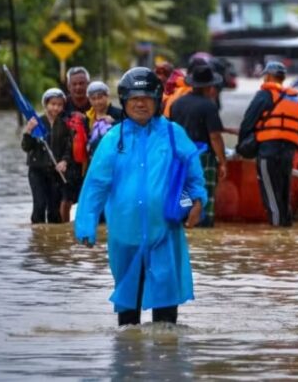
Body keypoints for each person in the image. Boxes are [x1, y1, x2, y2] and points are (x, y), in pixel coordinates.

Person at [75, 67, 206, 326]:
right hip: (125, 235)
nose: (140, 103)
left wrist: (196, 202)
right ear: (124, 102)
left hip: (165, 233)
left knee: (166, 315)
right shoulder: (113, 139)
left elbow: (193, 176)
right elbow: (95, 185)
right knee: (128, 317)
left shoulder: (173, 133)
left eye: (146, 97)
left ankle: (167, 361)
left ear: (157, 100)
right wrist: (86, 223)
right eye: (134, 98)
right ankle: (129, 360)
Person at [238, 61, 298, 227]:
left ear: (267, 76)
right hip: (288, 153)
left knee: (271, 196)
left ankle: (277, 237)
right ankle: (286, 233)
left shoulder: (264, 95)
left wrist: (242, 146)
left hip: (268, 152)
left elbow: (248, 122)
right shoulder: (295, 98)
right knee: (283, 195)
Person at [170, 64, 228, 227]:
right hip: (202, 157)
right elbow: (215, 136)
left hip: (180, 158)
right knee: (204, 194)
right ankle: (203, 222)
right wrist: (222, 161)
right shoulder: (209, 106)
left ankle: (184, 221)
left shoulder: (177, 104)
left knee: (183, 192)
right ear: (209, 87)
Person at [21, 88, 71, 223]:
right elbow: (26, 147)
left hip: (55, 173)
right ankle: (37, 237)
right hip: (37, 171)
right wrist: (28, 131)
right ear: (46, 104)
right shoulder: (36, 122)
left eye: (59, 105)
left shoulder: (65, 125)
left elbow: (68, 148)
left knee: (54, 209)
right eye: (53, 104)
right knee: (39, 205)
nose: (56, 108)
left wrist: (64, 161)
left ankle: (54, 240)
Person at [60, 66, 92, 222]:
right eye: (74, 84)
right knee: (65, 199)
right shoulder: (61, 105)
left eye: (82, 83)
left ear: (88, 84)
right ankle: (64, 231)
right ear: (68, 86)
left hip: (91, 158)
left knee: (90, 196)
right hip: (66, 158)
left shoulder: (96, 101)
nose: (78, 87)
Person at [85, 81, 122, 160]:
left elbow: (128, 127)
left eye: (100, 97)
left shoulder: (118, 113)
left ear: (107, 96)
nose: (97, 102)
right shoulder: (88, 117)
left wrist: (114, 123)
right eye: (93, 99)